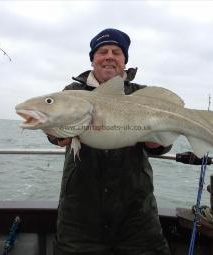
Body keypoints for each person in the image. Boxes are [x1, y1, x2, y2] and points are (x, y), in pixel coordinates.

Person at [48, 28, 172, 255]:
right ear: (92, 59)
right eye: (102, 51)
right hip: (79, 213)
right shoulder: (73, 92)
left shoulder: (141, 95)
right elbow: (55, 132)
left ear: (124, 61)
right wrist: (57, 135)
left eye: (116, 52)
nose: (109, 56)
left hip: (137, 212)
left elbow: (161, 146)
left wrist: (156, 141)